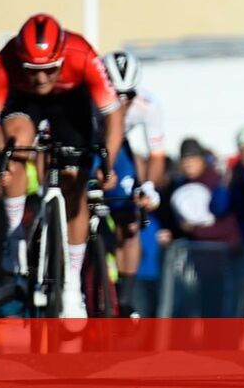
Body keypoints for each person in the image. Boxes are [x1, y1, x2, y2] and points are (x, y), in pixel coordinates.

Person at [0, 13, 122, 319]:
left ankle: (72, 284)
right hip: (23, 102)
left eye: (50, 69)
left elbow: (113, 114)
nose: (41, 79)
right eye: (33, 70)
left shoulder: (82, 53)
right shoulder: (6, 61)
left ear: (62, 57)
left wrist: (108, 162)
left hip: (70, 103)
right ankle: (15, 236)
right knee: (15, 147)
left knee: (75, 186)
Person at [100, 50, 163, 317]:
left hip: (119, 149)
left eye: (129, 95)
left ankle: (125, 299)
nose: (123, 101)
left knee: (131, 222)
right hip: (89, 142)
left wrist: (148, 187)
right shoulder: (89, 99)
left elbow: (156, 155)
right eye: (116, 94)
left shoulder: (147, 104)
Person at [159, 138, 240, 248]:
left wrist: (196, 230)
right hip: (194, 250)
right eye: (185, 160)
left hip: (222, 249)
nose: (188, 164)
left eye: (193, 159)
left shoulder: (217, 183)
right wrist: (171, 234)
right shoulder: (177, 187)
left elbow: (230, 225)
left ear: (202, 160)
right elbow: (175, 224)